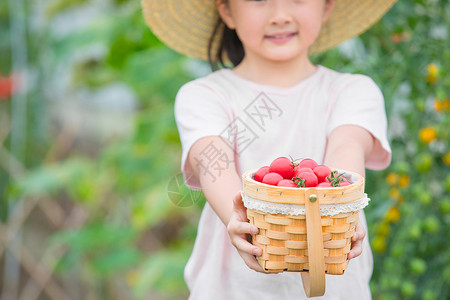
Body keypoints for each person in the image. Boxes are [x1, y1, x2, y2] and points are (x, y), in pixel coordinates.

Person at [142, 0, 395, 299]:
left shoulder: (353, 92)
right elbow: (213, 161)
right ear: (226, 11)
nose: (280, 16)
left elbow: (347, 149)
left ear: (327, 7)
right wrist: (238, 218)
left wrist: (338, 208)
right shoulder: (205, 96)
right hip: (233, 290)